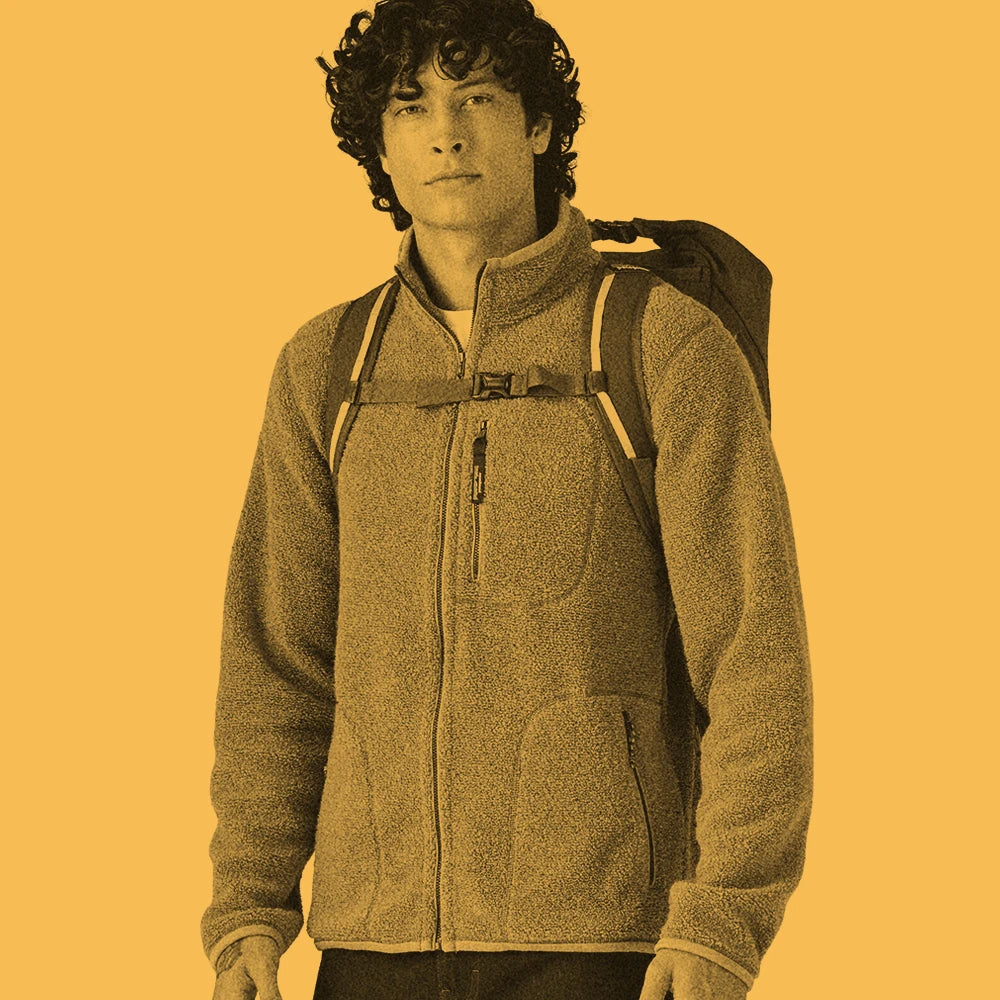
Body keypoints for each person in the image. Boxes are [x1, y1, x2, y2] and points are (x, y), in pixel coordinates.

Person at [202, 1, 814, 998]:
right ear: (381, 151)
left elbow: (754, 653)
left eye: (478, 97)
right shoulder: (326, 368)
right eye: (411, 107)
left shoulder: (662, 346)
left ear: (538, 126)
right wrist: (248, 907)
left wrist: (720, 923)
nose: (446, 132)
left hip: (605, 947)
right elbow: (275, 662)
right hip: (370, 947)